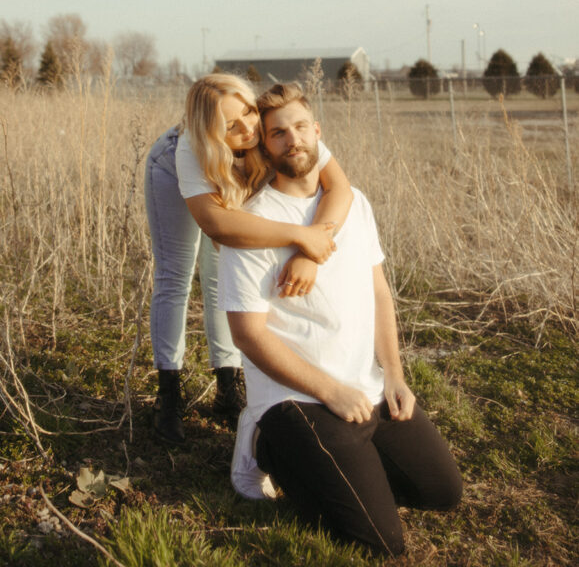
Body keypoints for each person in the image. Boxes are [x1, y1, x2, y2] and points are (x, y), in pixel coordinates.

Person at [219, 82, 462, 557]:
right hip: (298, 401)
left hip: (365, 390)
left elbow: (378, 292)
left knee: (442, 492)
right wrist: (328, 390)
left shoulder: (356, 204)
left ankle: (342, 466)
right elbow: (247, 335)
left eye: (300, 127)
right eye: (278, 134)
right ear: (264, 146)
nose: (293, 140)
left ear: (318, 131)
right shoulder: (254, 223)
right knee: (380, 542)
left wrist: (393, 374)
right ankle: (266, 446)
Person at [144, 73, 352, 445]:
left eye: (249, 112)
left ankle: (227, 385)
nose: (249, 128)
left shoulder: (279, 125)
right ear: (210, 131)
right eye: (231, 125)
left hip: (230, 178)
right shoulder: (191, 148)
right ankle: (169, 396)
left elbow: (339, 186)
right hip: (172, 171)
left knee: (218, 275)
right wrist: (298, 235)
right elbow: (217, 224)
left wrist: (312, 249)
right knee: (176, 275)